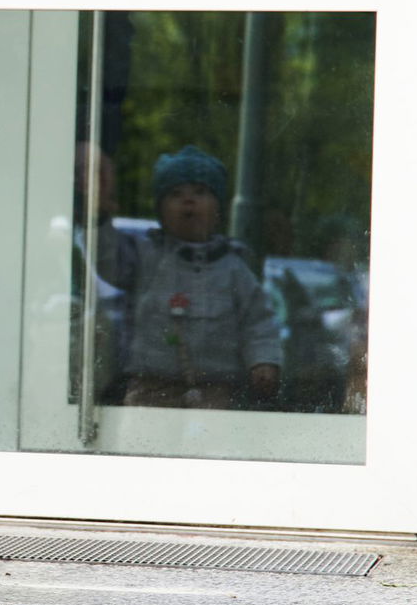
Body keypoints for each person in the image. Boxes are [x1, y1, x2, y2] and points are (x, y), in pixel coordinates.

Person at [98, 145, 282, 409]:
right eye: (175, 194)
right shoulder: (145, 255)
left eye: (200, 192)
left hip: (216, 389)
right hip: (150, 386)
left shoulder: (234, 267)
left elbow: (258, 321)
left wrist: (264, 360)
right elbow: (107, 260)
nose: (188, 200)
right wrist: (100, 218)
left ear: (218, 209)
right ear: (160, 211)